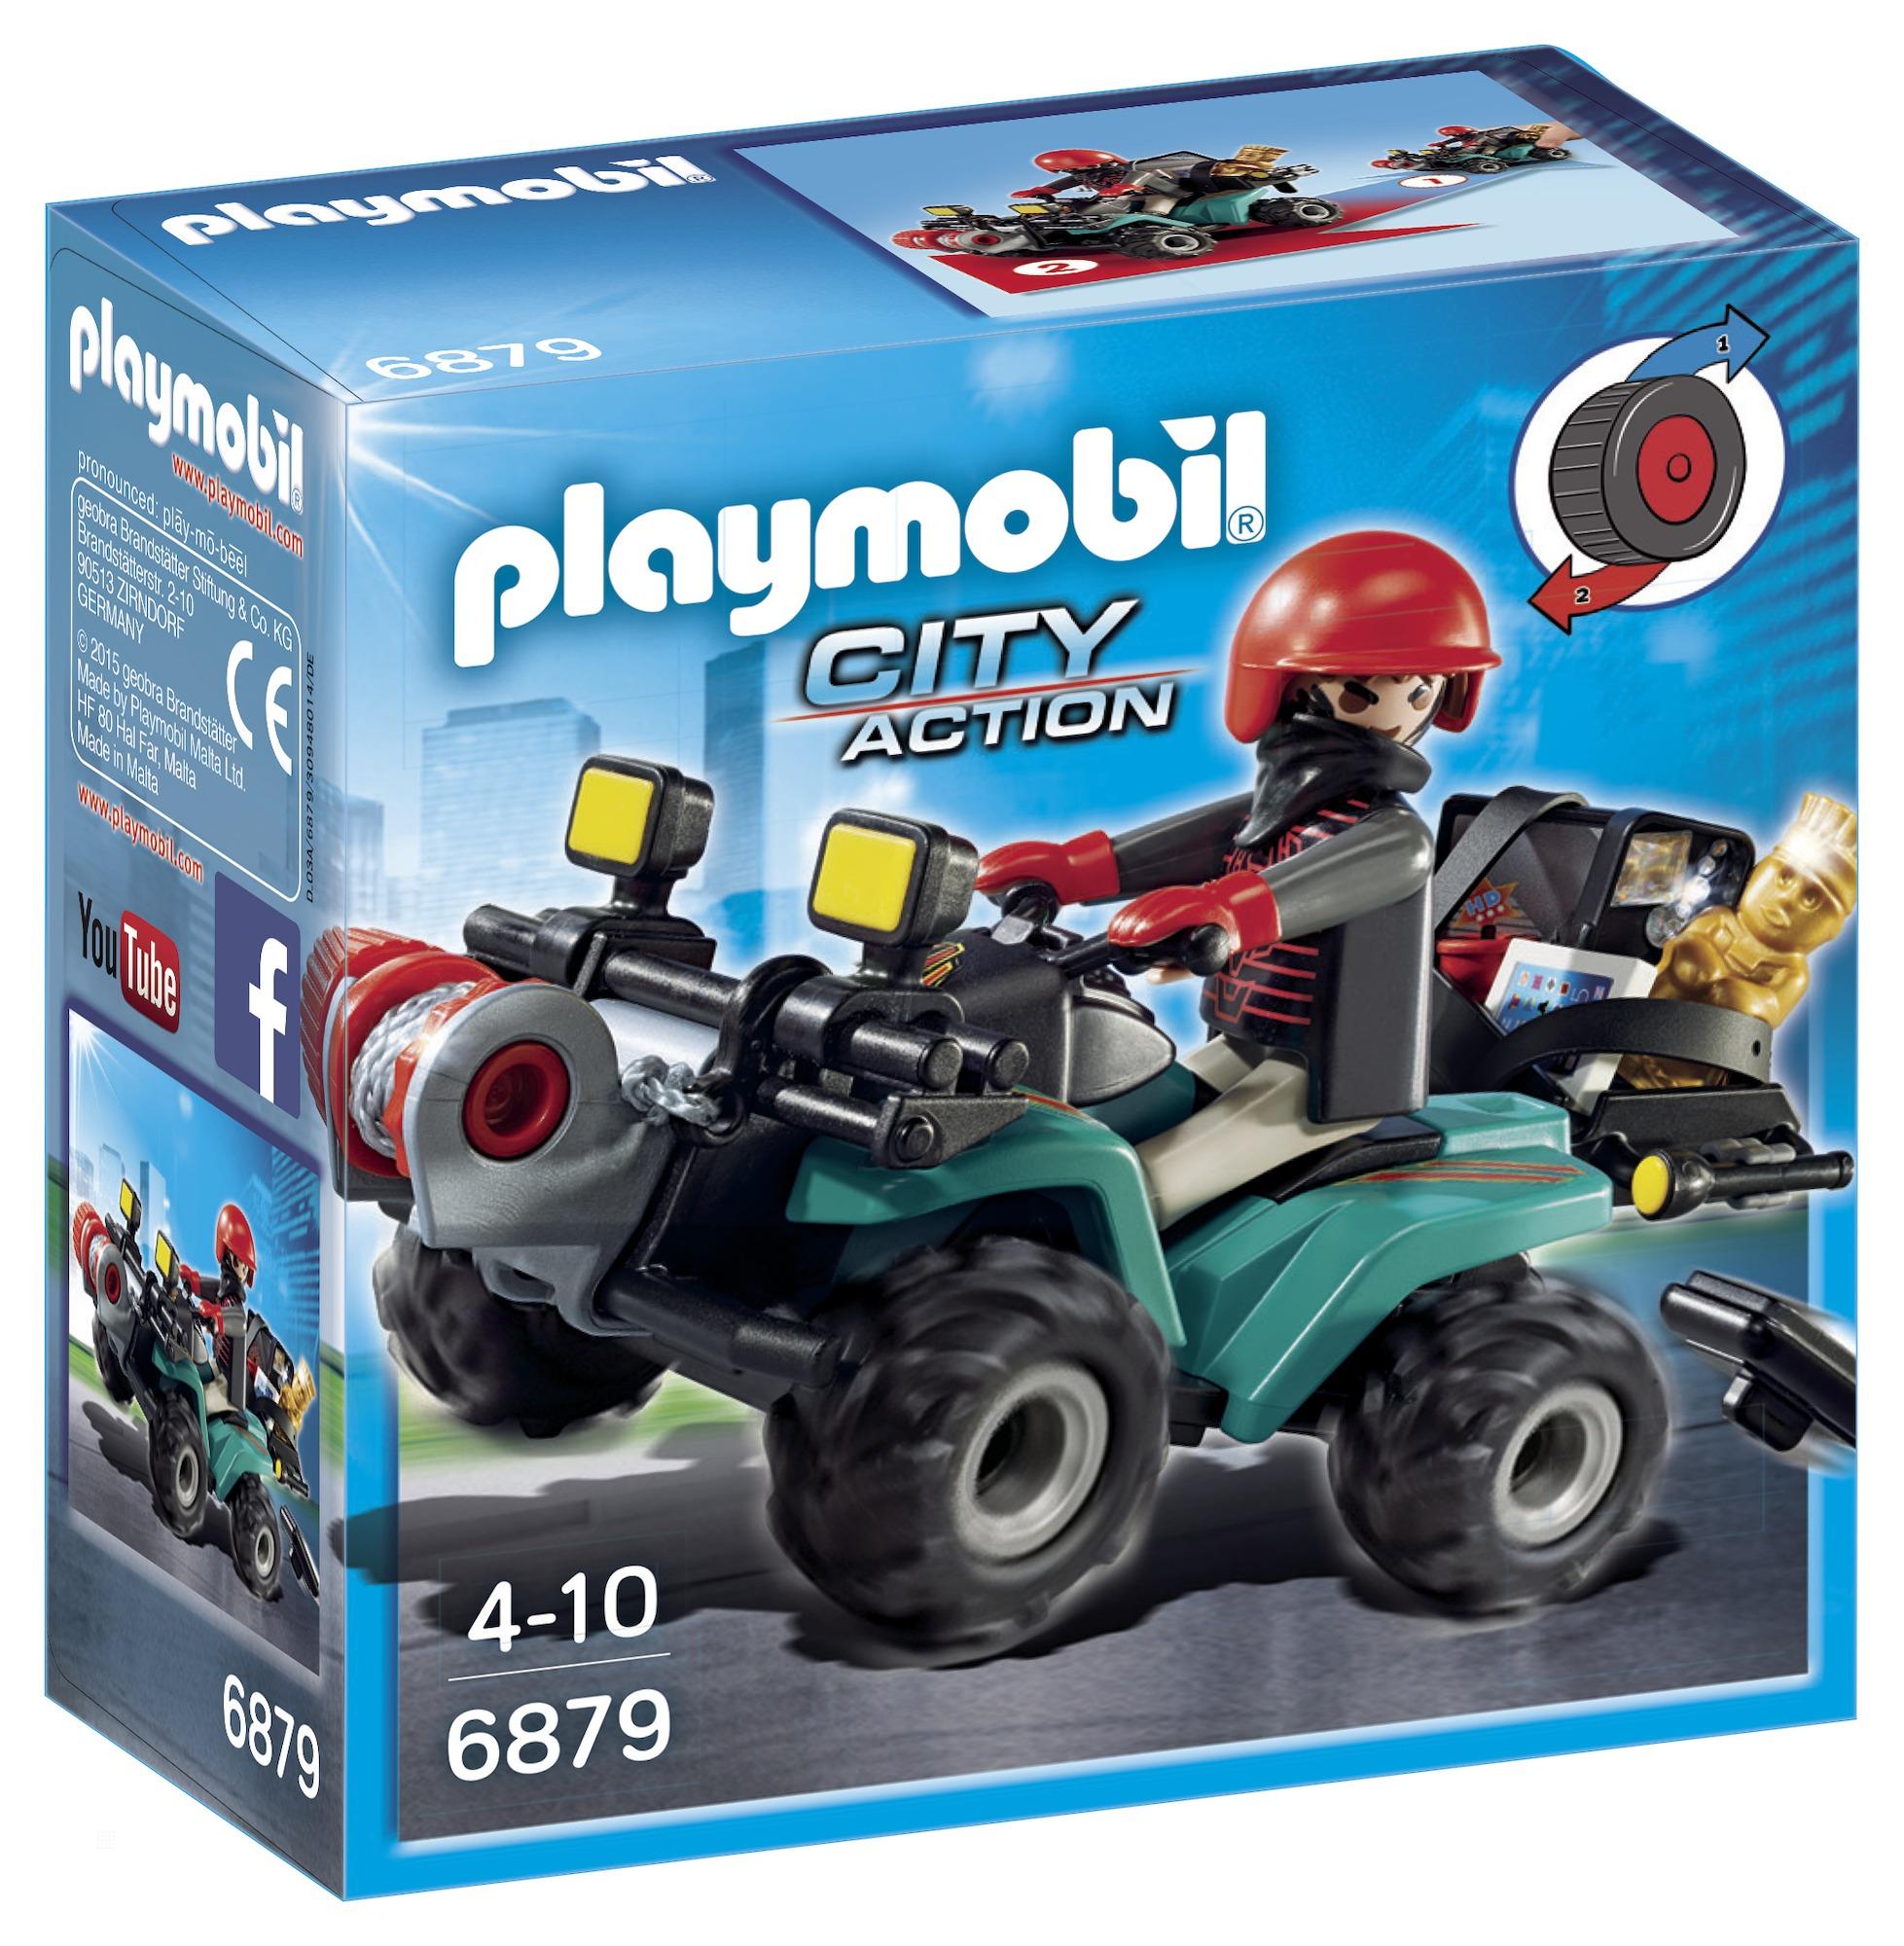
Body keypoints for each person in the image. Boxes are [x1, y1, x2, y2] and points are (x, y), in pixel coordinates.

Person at [977, 530, 1500, 1227]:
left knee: (1133, 1193)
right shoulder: (1281, 807)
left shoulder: (1392, 837)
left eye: (1420, 691)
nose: (1398, 710)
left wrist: (1219, 914)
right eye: (1361, 690)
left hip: (1326, 1084)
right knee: (1095, 1137)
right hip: (1245, 1043)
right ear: (1292, 690)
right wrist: (1070, 872)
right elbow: (1179, 845)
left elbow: (1302, 888)